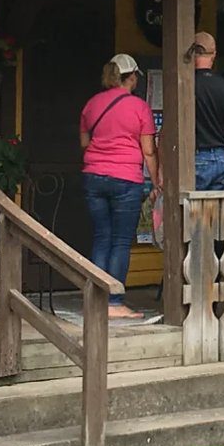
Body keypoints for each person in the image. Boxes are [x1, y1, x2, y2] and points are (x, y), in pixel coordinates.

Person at [80, 52, 157, 320]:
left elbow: (84, 142)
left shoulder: (92, 104)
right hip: (126, 178)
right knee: (121, 241)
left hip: (94, 176)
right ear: (132, 77)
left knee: (102, 237)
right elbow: (149, 150)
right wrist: (157, 182)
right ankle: (114, 302)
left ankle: (97, 300)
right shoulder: (139, 107)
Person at [189, 31, 224, 191]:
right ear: (214, 55)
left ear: (193, 53)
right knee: (214, 214)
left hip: (195, 157)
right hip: (221, 159)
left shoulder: (186, 87)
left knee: (190, 214)